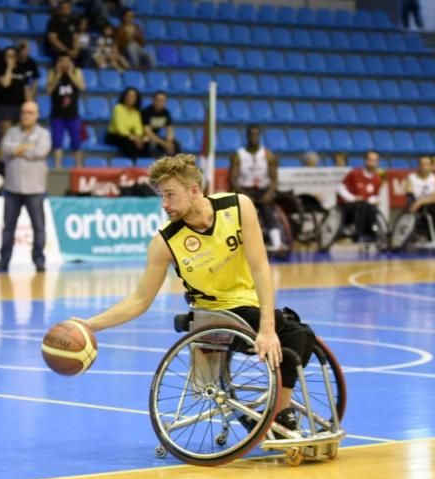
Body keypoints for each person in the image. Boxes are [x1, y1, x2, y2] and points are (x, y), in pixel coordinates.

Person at [76, 154, 311, 437]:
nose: (164, 204)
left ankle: (275, 415)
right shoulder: (165, 242)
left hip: (249, 303)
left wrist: (267, 328)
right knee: (293, 334)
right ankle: (279, 418)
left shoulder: (238, 207)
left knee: (302, 334)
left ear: (194, 191)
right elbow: (140, 300)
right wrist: (91, 325)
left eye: (170, 195)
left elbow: (261, 269)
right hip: (212, 315)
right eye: (162, 196)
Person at [0, 101, 51, 274]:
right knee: (8, 227)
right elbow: (4, 149)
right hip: (12, 188)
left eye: (30, 112)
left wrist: (17, 149)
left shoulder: (43, 134)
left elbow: (40, 152)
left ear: (37, 115)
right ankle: (4, 261)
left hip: (35, 189)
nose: (26, 115)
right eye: (24, 112)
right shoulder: (11, 132)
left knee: (38, 227)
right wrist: (26, 148)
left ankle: (39, 260)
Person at [229, 125, 284, 252]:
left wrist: (269, 193)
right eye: (251, 135)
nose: (254, 137)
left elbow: (274, 178)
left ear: (259, 136)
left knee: (267, 210)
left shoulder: (267, 154)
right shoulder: (239, 155)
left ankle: (277, 243)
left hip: (263, 190)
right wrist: (244, 195)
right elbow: (232, 179)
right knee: (244, 212)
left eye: (256, 135)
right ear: (247, 136)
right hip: (244, 190)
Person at [46, 52, 84, 169]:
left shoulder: (76, 72)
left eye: (67, 61)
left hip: (73, 114)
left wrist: (70, 74)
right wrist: (58, 76)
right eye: (61, 60)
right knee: (57, 142)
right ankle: (58, 166)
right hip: (57, 114)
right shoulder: (52, 73)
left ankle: (78, 166)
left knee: (76, 142)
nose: (64, 63)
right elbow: (48, 91)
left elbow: (82, 86)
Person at [336, 149, 383, 242]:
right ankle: (359, 234)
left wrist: (372, 200)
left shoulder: (377, 179)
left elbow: (375, 196)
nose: (372, 163)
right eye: (370, 160)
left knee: (370, 207)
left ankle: (370, 234)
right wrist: (353, 198)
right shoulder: (354, 173)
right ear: (365, 160)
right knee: (362, 205)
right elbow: (340, 188)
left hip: (366, 207)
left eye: (375, 161)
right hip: (349, 205)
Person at [0, 46, 32, 137]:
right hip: (5, 105)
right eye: (8, 55)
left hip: (20, 104)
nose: (10, 57)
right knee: (5, 134)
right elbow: (5, 83)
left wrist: (30, 104)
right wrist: (9, 68)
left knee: (19, 134)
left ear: (16, 57)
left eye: (13, 55)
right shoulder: (0, 69)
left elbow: (26, 88)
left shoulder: (22, 69)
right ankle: (2, 151)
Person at [105, 86, 147, 159]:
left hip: (130, 135)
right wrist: (133, 138)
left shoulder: (136, 111)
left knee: (145, 143)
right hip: (115, 135)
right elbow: (120, 128)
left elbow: (138, 127)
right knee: (129, 142)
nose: (131, 98)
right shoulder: (118, 108)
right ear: (124, 96)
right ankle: (131, 164)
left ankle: (145, 166)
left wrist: (138, 137)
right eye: (129, 95)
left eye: (133, 96)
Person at [142, 90, 180, 158]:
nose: (160, 102)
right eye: (158, 100)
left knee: (175, 144)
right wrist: (163, 143)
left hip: (156, 137)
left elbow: (169, 129)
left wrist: (169, 141)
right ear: (153, 100)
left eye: (163, 100)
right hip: (144, 136)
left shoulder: (166, 112)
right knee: (147, 143)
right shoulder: (146, 111)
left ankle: (175, 165)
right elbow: (147, 131)